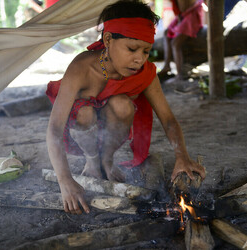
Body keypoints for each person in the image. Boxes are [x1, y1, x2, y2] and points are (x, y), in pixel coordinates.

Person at [46, 0, 206, 215]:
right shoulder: (82, 67)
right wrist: (65, 180)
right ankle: (92, 161)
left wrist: (182, 157)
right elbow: (54, 128)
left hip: (112, 123)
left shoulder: (146, 73)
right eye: (132, 49)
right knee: (84, 112)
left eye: (146, 51)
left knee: (122, 105)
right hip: (83, 125)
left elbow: (168, 119)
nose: (139, 59)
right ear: (108, 39)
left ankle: (107, 159)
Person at [158, 0, 205, 83]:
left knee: (175, 43)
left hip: (192, 14)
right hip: (182, 15)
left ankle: (180, 75)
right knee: (166, 33)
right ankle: (167, 66)